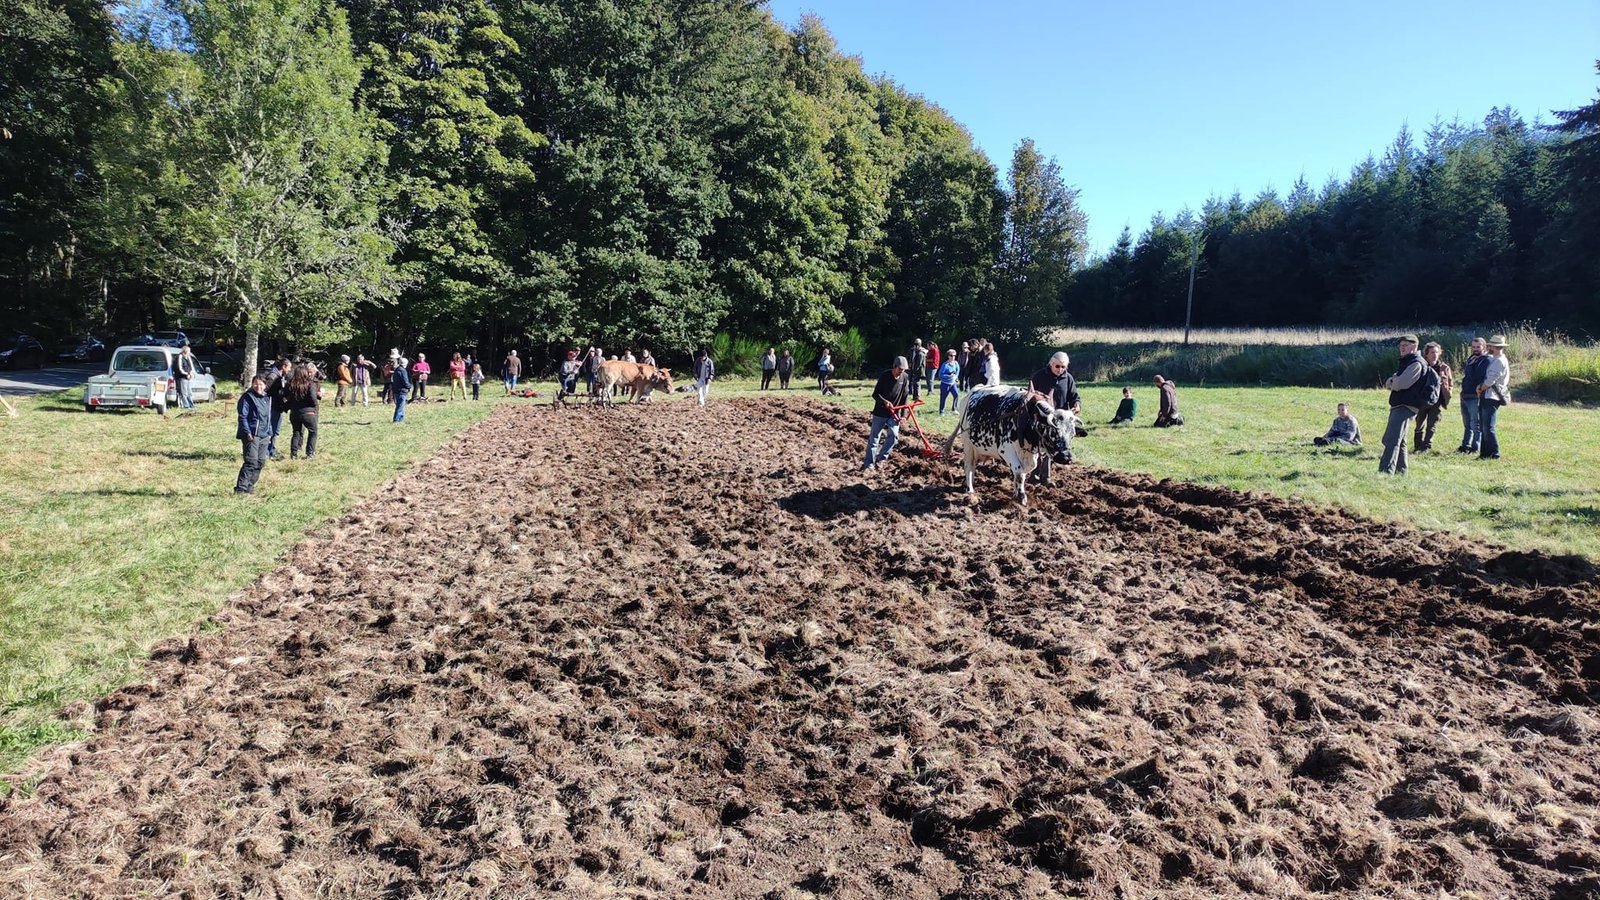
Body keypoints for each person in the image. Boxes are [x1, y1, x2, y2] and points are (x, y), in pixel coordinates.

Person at [1029, 352, 1082, 484]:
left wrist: (1077, 404)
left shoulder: (1068, 379)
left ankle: (1046, 477)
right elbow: (1030, 395)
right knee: (1038, 447)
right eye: (1057, 366)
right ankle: (1034, 475)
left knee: (1051, 448)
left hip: (1060, 421)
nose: (1060, 369)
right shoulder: (1039, 376)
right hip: (1042, 418)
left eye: (1063, 367)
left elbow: (1074, 396)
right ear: (1051, 364)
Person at [1378, 334, 1428, 475]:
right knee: (1400, 440)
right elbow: (1393, 381)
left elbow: (1400, 384)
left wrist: (1393, 380)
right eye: (1400, 345)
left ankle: (1385, 471)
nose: (1402, 348)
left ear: (1414, 346)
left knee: (1391, 439)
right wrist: (1394, 380)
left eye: (1405, 345)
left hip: (1405, 406)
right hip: (1401, 405)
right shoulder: (1408, 361)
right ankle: (1401, 472)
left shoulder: (1416, 363)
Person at [862, 356, 910, 471]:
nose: (901, 372)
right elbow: (875, 394)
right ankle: (869, 464)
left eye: (903, 370)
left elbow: (905, 396)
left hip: (894, 413)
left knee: (894, 437)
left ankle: (881, 459)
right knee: (874, 438)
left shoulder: (904, 377)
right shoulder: (885, 376)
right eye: (899, 369)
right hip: (880, 412)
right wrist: (884, 401)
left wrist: (903, 414)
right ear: (894, 367)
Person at [234, 375, 272, 494]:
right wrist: (247, 432)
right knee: (251, 461)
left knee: (260, 462)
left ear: (265, 385)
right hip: (252, 434)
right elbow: (242, 416)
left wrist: (270, 433)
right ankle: (240, 488)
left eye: (261, 384)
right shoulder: (247, 397)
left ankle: (250, 486)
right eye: (255, 383)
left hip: (264, 434)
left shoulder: (267, 398)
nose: (258, 386)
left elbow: (268, 417)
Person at [1413, 341, 1453, 452]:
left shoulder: (1444, 368)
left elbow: (1450, 383)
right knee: (1419, 422)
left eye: (1436, 352)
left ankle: (1427, 446)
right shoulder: (1421, 365)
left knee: (1432, 424)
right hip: (1422, 399)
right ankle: (1418, 445)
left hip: (1437, 400)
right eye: (1432, 352)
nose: (1434, 354)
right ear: (1426, 354)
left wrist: (1447, 392)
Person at [1476, 334, 1511, 460]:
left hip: (1491, 396)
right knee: (1485, 427)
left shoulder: (1498, 361)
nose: (1488, 347)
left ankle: (1494, 454)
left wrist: (1480, 388)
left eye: (1490, 345)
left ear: (1495, 347)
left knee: (1488, 427)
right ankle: (1485, 454)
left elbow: (1490, 381)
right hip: (1490, 395)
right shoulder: (1498, 359)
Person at [1456, 336, 1489, 454]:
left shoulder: (1486, 360)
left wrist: (1473, 364)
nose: (1475, 349)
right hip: (1465, 395)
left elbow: (1478, 377)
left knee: (1476, 424)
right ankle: (1466, 446)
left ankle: (1475, 447)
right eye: (1473, 347)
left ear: (1484, 347)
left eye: (1478, 347)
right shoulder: (1471, 359)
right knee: (1467, 423)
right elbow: (1467, 377)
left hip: (1475, 396)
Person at [288, 362, 320, 459]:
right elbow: (313, 399)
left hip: (294, 412)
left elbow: (284, 395)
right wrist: (313, 406)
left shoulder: (291, 384)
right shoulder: (309, 384)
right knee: (313, 432)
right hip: (308, 412)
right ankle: (310, 453)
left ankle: (293, 454)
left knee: (296, 432)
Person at [265, 357, 293, 458]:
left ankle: (271, 449)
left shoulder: (281, 377)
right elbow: (265, 392)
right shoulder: (272, 377)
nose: (290, 370)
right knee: (271, 429)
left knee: (275, 430)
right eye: (289, 367)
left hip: (278, 406)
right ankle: (267, 451)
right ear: (284, 366)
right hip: (272, 407)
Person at [174, 344, 199, 409]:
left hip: (188, 378)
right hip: (182, 378)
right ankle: (186, 406)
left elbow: (191, 366)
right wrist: (186, 374)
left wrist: (191, 373)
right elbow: (179, 368)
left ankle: (191, 405)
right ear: (185, 351)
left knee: (189, 392)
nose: (189, 352)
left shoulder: (188, 357)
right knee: (184, 393)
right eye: (189, 351)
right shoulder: (180, 357)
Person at [391, 356, 411, 422]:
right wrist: (409, 386)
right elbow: (405, 381)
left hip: (396, 389)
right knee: (400, 406)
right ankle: (396, 419)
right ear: (405, 364)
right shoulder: (403, 371)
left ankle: (401, 419)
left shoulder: (397, 369)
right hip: (402, 390)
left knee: (400, 405)